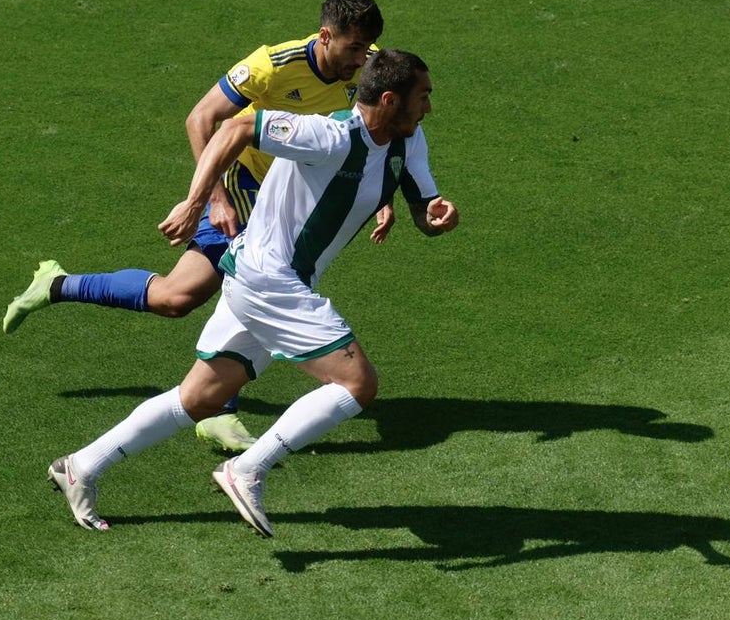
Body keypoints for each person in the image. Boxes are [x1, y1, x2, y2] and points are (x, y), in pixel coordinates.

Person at [47, 49, 459, 536]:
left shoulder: (407, 140)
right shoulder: (329, 136)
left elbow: (422, 205)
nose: (429, 107)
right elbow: (235, 128)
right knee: (357, 384)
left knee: (200, 398)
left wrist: (435, 215)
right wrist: (197, 202)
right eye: (423, 97)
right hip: (268, 278)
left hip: (267, 280)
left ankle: (82, 465)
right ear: (389, 100)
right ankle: (247, 469)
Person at [2, 0, 394, 453]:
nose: (360, 60)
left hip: (297, 193)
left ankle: (58, 286)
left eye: (365, 48)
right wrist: (214, 198)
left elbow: (382, 125)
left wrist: (378, 190)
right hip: (245, 185)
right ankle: (217, 408)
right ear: (325, 36)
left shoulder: (368, 64)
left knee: (183, 296)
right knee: (223, 288)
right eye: (353, 48)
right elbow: (201, 119)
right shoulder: (272, 65)